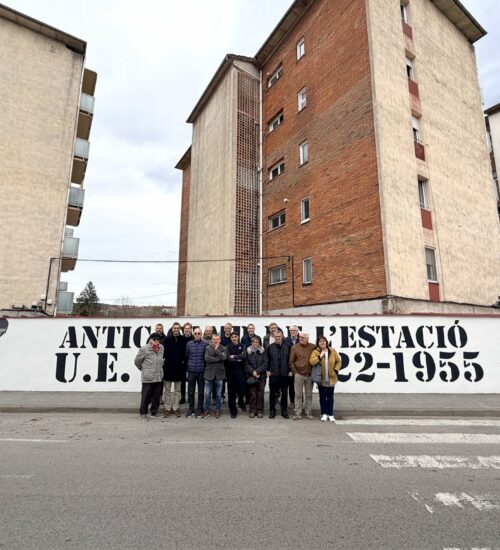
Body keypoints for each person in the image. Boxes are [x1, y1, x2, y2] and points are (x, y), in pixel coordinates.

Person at [309, 336, 342, 422]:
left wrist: (336, 370)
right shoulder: (316, 352)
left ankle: (330, 414)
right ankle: (324, 413)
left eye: (323, 341)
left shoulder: (332, 351)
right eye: (320, 342)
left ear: (326, 342)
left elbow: (338, 361)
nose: (322, 343)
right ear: (318, 343)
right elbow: (311, 362)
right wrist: (320, 356)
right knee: (322, 397)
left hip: (331, 378)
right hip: (321, 378)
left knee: (330, 397)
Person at [134, 332, 164, 421]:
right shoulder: (144, 349)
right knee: (146, 396)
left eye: (158, 339)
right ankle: (143, 413)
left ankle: (154, 412)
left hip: (158, 376)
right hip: (148, 377)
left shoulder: (161, 348)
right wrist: (144, 369)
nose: (156, 341)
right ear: (150, 339)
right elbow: (137, 361)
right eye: (154, 339)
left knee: (156, 396)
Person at [289, 332, 316, 421]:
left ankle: (308, 413)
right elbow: (291, 361)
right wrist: (295, 372)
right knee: (298, 395)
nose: (300, 338)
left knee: (309, 395)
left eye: (303, 337)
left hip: (309, 375)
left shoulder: (313, 347)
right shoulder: (295, 347)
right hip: (299, 375)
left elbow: (321, 351)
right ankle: (298, 413)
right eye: (300, 337)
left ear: (307, 338)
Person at [266, 330, 292, 419]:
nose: (277, 338)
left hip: (285, 374)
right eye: (276, 336)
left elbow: (290, 360)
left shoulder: (288, 347)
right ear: (274, 337)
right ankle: (272, 410)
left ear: (282, 336)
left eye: (279, 336)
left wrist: (290, 370)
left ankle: (284, 411)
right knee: (272, 394)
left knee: (284, 393)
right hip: (273, 374)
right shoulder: (270, 347)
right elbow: (267, 360)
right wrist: (267, 370)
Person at [163, 322, 186, 418]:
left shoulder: (183, 339)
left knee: (177, 390)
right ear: (172, 329)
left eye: (177, 328)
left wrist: (183, 363)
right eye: (174, 328)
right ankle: (167, 408)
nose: (176, 329)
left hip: (179, 368)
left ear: (179, 329)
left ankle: (176, 408)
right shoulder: (167, 339)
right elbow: (163, 353)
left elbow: (185, 353)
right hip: (168, 368)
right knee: (167, 390)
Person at [185, 328, 208, 418]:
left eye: (199, 333)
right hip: (191, 371)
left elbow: (206, 358)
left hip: (201, 371)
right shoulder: (189, 344)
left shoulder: (205, 344)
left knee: (201, 392)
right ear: (193, 334)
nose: (197, 335)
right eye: (195, 333)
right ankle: (191, 409)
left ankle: (199, 409)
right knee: (191, 392)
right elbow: (187, 356)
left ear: (201, 334)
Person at [203, 334, 227, 418]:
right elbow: (207, 359)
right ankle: (207, 409)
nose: (215, 341)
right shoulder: (208, 348)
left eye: (217, 339)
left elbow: (224, 358)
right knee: (207, 394)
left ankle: (218, 409)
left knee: (218, 394)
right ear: (212, 340)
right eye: (214, 339)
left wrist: (217, 350)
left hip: (219, 374)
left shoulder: (224, 348)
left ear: (220, 340)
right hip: (209, 373)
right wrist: (218, 359)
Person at [245, 336, 268, 418]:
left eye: (257, 342)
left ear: (259, 343)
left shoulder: (263, 351)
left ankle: (260, 410)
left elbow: (265, 363)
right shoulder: (248, 351)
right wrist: (253, 372)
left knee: (260, 394)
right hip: (251, 376)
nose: (255, 343)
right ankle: (252, 410)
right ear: (251, 343)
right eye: (254, 342)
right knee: (252, 394)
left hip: (261, 376)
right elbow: (246, 364)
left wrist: (257, 371)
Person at [226, 332, 247, 418]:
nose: (234, 338)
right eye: (232, 337)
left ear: (238, 337)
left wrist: (234, 357)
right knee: (231, 392)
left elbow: (244, 356)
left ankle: (241, 402)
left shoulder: (243, 346)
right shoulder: (228, 347)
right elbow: (228, 358)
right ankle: (233, 410)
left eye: (235, 337)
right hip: (230, 372)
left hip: (241, 371)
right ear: (230, 339)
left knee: (242, 389)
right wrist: (238, 358)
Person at [285, 325, 300, 410]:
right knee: (291, 385)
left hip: (299, 365)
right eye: (291, 330)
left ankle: (300, 402)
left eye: (294, 330)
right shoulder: (286, 340)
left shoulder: (300, 339)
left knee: (299, 386)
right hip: (289, 366)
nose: (292, 332)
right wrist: (289, 369)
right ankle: (292, 402)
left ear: (297, 331)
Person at [180, 322, 194, 404]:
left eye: (188, 328)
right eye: (185, 328)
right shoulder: (181, 338)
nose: (187, 330)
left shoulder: (193, 338)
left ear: (191, 329)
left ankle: (190, 396)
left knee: (191, 381)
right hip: (182, 363)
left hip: (191, 362)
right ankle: (182, 397)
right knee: (182, 381)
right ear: (183, 330)